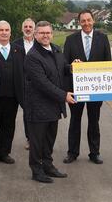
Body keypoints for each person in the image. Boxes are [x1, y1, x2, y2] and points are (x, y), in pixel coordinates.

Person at [24, 21, 76, 183]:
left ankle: (48, 165)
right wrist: (64, 95)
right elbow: (43, 83)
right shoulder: (32, 56)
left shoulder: (55, 49)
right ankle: (36, 170)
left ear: (52, 34)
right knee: (37, 141)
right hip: (38, 106)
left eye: (48, 32)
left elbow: (61, 69)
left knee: (49, 139)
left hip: (53, 106)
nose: (45, 35)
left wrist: (72, 68)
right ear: (35, 35)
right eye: (42, 33)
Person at [62, 9, 112, 165]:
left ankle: (94, 153)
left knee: (94, 121)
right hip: (76, 90)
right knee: (75, 121)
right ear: (79, 22)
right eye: (83, 21)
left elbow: (109, 64)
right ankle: (72, 152)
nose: (86, 23)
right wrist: (72, 66)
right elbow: (64, 65)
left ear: (93, 20)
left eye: (89, 20)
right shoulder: (70, 40)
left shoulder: (103, 39)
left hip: (96, 90)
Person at [0, 20, 23, 165]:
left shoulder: (18, 50)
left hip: (12, 96)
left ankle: (4, 152)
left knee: (9, 125)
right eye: (1, 30)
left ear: (10, 32)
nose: (4, 32)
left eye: (6, 30)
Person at [12, 18, 35, 150]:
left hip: (38, 84)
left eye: (30, 27)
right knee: (27, 113)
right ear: (22, 29)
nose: (27, 29)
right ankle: (29, 139)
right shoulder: (15, 45)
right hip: (21, 85)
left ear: (34, 29)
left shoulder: (39, 44)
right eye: (25, 26)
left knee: (38, 113)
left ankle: (39, 138)